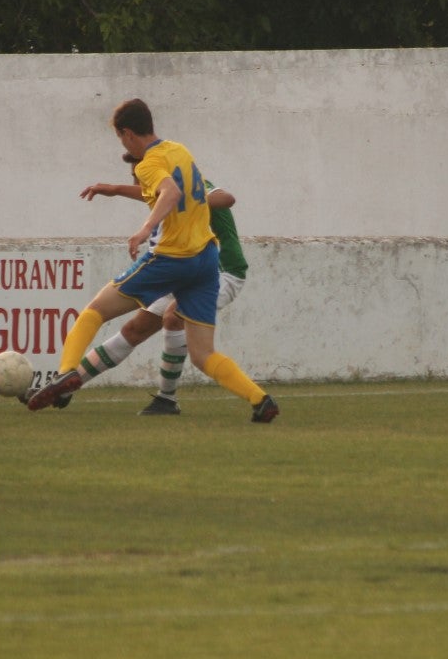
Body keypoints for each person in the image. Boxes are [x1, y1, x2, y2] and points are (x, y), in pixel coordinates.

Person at [26, 98, 278, 423]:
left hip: (173, 261)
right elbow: (170, 192)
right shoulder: (180, 152)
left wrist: (144, 229)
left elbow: (170, 193)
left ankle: (64, 375)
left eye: (120, 137)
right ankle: (261, 400)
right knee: (202, 354)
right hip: (205, 262)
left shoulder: (148, 165)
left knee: (95, 311)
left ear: (128, 134)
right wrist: (114, 189)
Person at [44, 153, 249, 415]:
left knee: (174, 316)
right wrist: (115, 189)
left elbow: (226, 198)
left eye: (139, 176)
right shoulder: (165, 194)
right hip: (186, 272)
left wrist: (191, 202)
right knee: (134, 329)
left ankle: (167, 399)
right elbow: (151, 194)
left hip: (222, 271)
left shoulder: (193, 187)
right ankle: (65, 387)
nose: (139, 183)